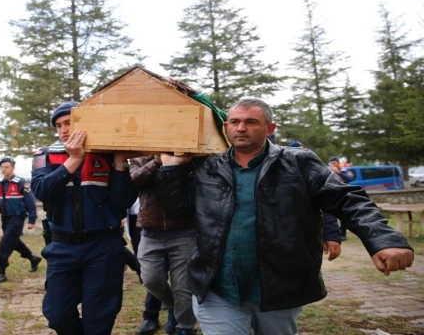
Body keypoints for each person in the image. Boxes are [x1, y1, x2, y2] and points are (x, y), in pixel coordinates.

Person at [157, 98, 414, 335]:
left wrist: (384, 239)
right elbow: (180, 211)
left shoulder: (298, 162)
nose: (241, 128)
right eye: (235, 122)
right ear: (226, 127)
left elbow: (347, 199)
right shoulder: (208, 167)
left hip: (279, 288)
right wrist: (170, 169)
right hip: (217, 289)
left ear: (270, 128)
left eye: (251, 122)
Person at [31, 101, 138, 335]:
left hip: (103, 247)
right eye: (59, 125)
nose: (63, 130)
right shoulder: (46, 155)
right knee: (57, 314)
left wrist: (120, 163)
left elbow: (122, 204)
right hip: (61, 247)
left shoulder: (107, 156)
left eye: (69, 122)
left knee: (98, 319)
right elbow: (41, 190)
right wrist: (74, 160)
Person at [130, 155, 197, 335]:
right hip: (151, 232)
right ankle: (173, 306)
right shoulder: (142, 158)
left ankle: (185, 327)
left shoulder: (191, 157)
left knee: (183, 286)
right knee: (151, 279)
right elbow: (133, 181)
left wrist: (179, 163)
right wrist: (157, 162)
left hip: (185, 231)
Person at [0, 156, 42, 284]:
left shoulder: (22, 183)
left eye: (6, 167)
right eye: (2, 167)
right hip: (5, 217)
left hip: (18, 217)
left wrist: (32, 219)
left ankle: (1, 271)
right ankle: (33, 258)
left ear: (13, 168)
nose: (4, 169)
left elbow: (30, 202)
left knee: (5, 243)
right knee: (13, 241)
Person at [288, 142, 341, 259]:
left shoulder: (312, 172)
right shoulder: (274, 170)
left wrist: (331, 235)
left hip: (304, 240)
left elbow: (326, 203)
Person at [126, 197, 165, 335]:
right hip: (137, 216)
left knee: (171, 268)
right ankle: (165, 302)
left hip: (166, 214)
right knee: (147, 270)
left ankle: (152, 314)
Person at [328, 156, 354, 240]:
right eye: (331, 163)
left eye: (334, 163)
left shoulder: (344, 170)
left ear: (338, 163)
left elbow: (350, 178)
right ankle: (334, 234)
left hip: (343, 195)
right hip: (331, 195)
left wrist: (339, 172)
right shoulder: (327, 171)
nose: (333, 165)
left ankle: (343, 233)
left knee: (344, 215)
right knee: (331, 216)